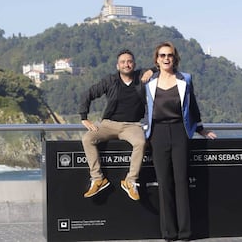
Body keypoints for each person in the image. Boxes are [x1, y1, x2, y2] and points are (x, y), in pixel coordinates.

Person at [142, 41, 216, 241]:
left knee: (181, 181)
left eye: (170, 55)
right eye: (162, 55)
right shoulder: (149, 81)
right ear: (157, 59)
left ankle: (185, 232)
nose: (166, 58)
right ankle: (169, 233)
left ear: (175, 58)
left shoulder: (186, 79)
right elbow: (140, 106)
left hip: (179, 132)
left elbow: (193, 107)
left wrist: (200, 128)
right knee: (164, 183)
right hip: (157, 134)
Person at [79, 49, 156, 201]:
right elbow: (88, 94)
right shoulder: (110, 80)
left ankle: (130, 181)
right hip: (109, 124)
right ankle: (98, 178)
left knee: (141, 142)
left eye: (129, 61)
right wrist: (84, 118)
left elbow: (165, 66)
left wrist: (151, 70)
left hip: (132, 125)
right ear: (117, 65)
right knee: (87, 138)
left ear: (134, 64)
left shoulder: (141, 77)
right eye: (123, 62)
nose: (126, 64)